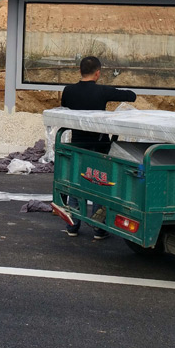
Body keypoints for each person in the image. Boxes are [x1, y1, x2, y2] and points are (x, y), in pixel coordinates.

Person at [61, 55, 136, 240]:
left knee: (77, 183)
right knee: (99, 185)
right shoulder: (102, 91)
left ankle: (72, 226)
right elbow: (131, 96)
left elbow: (65, 107)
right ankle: (98, 228)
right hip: (99, 145)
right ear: (97, 73)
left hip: (77, 145)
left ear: (80, 71)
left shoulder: (68, 91)